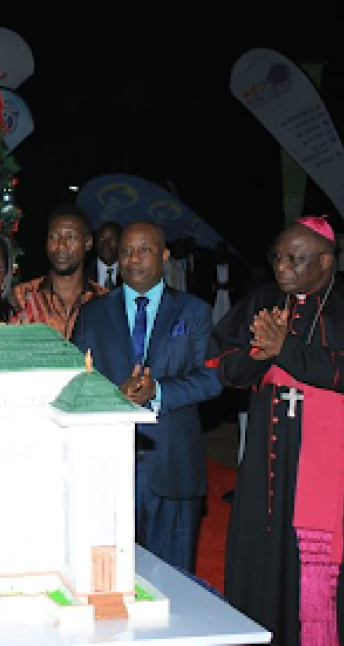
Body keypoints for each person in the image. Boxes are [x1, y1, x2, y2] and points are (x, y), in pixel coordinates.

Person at [208, 215, 344, 646]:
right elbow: (227, 370)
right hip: (269, 459)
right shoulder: (262, 300)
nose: (283, 268)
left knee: (331, 557)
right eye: (278, 257)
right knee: (266, 552)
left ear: (326, 261)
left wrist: (288, 350)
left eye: (296, 260)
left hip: (334, 464)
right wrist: (261, 353)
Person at [71, 221, 220, 574]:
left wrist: (159, 391)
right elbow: (76, 382)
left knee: (174, 583)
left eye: (145, 250)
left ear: (165, 256)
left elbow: (212, 379)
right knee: (109, 579)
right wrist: (113, 397)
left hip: (173, 466)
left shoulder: (194, 312)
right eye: (126, 251)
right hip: (109, 466)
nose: (134, 259)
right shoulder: (93, 313)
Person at [10, 205, 106, 339]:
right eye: (54, 237)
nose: (61, 245)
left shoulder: (104, 300)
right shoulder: (21, 297)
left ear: (88, 243)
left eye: (70, 237)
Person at [92, 220, 122, 289]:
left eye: (111, 239)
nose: (105, 243)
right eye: (101, 239)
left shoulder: (130, 272)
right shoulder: (84, 272)